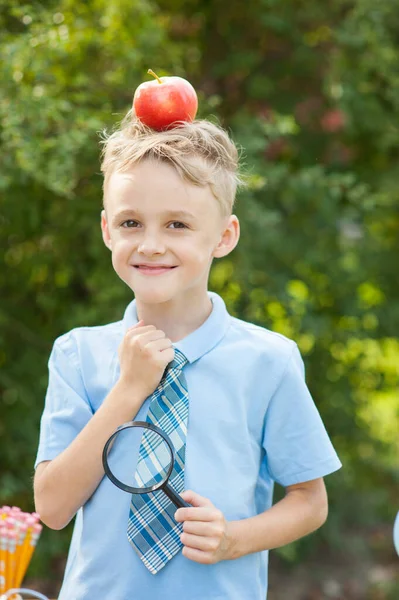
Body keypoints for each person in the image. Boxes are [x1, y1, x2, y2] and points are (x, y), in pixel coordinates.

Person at [33, 112, 342, 600]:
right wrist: (130, 388)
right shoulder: (77, 354)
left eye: (177, 224)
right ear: (107, 230)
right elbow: (52, 508)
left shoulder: (269, 361)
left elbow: (310, 502)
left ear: (224, 236)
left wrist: (234, 539)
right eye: (131, 222)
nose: (151, 245)